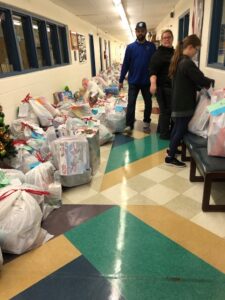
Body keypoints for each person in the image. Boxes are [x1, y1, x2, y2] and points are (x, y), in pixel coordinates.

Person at [165, 34, 214, 167]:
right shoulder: (187, 63)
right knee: (180, 129)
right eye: (197, 50)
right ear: (190, 47)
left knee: (176, 128)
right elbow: (200, 79)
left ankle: (171, 149)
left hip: (178, 101)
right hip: (184, 103)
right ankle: (170, 158)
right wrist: (211, 83)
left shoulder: (179, 60)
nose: (196, 53)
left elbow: (189, 81)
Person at [119, 21, 156, 134]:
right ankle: (129, 125)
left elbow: (155, 64)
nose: (140, 33)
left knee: (148, 103)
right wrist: (121, 80)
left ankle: (146, 123)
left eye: (142, 31)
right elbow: (125, 64)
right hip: (133, 82)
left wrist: (155, 80)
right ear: (135, 32)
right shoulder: (130, 47)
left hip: (146, 82)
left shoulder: (151, 46)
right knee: (131, 103)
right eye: (138, 31)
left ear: (145, 31)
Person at [149, 29, 174, 139]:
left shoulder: (174, 52)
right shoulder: (158, 54)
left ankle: (160, 129)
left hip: (171, 87)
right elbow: (152, 71)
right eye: (164, 37)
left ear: (172, 39)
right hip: (162, 87)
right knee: (166, 111)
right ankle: (164, 134)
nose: (167, 39)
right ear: (161, 40)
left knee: (165, 110)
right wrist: (153, 84)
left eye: (169, 37)